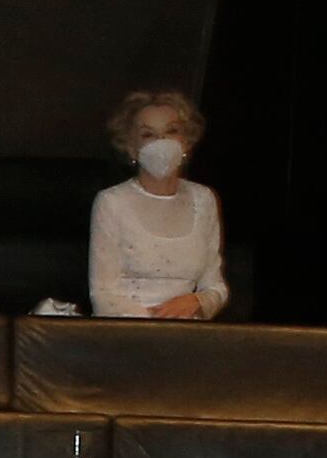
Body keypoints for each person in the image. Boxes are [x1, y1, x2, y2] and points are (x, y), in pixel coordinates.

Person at [87, 90, 229, 321]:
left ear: (187, 142)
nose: (162, 142)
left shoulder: (203, 199)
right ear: (131, 147)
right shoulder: (112, 202)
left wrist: (196, 301)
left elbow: (215, 287)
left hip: (190, 333)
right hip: (127, 331)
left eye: (172, 131)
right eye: (148, 134)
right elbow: (103, 295)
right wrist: (157, 326)